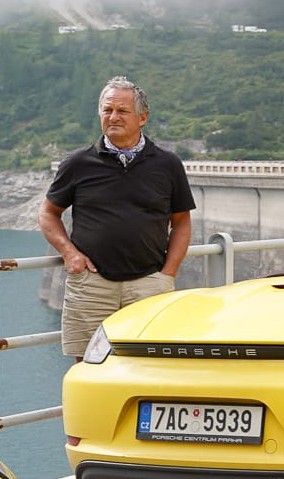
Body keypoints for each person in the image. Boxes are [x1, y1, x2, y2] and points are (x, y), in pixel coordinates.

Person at [41, 77, 195, 359]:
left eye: (122, 111)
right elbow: (49, 214)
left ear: (142, 117)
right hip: (91, 285)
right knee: (88, 366)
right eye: (107, 110)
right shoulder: (77, 163)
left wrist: (167, 275)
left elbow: (182, 222)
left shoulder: (167, 164)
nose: (113, 117)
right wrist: (69, 253)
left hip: (149, 283)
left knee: (150, 365)